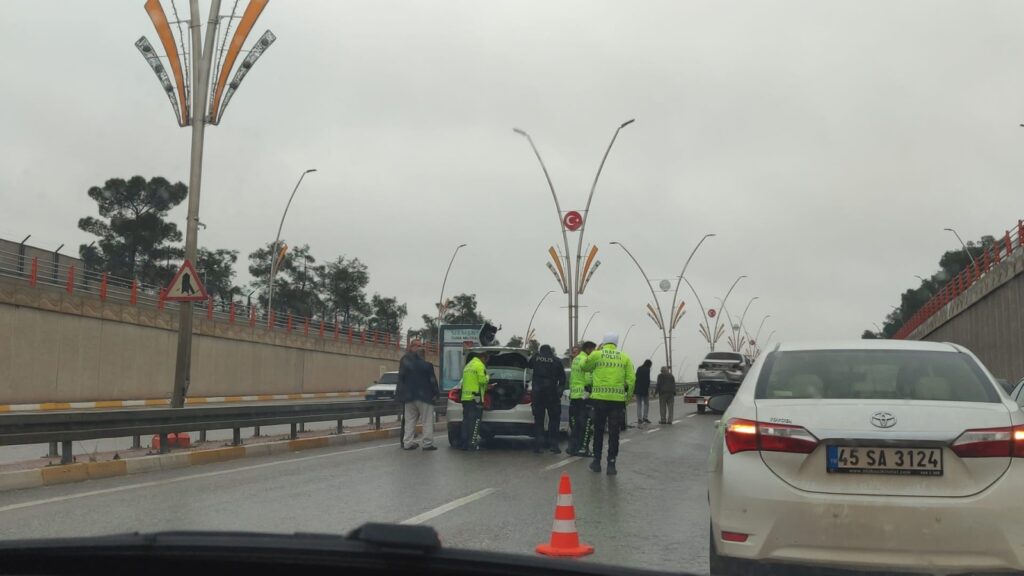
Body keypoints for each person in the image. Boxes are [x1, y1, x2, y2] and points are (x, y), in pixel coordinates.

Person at [583, 332, 635, 476]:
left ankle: (596, 462)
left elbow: (584, 367)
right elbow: (631, 380)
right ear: (616, 343)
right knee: (614, 433)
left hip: (599, 400)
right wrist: (627, 398)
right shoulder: (625, 357)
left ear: (604, 342)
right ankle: (611, 464)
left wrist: (593, 355)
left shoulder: (597, 354)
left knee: (598, 430)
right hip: (617, 401)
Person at [397, 340, 439, 450]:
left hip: (409, 397)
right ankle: (427, 443)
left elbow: (401, 379)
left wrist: (401, 395)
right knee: (427, 421)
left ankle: (407, 443)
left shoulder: (405, 364)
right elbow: (433, 381)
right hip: (425, 397)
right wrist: (435, 393)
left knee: (409, 421)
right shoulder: (427, 366)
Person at [529, 344, 567, 454]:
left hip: (538, 395)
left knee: (539, 421)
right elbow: (562, 378)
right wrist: (559, 391)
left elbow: (528, 365)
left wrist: (535, 354)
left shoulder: (536, 359)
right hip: (552, 394)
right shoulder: (556, 361)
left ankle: (538, 446)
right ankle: (554, 446)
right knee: (554, 421)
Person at [567, 341, 597, 456]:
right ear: (588, 349)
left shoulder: (575, 360)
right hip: (584, 396)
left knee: (577, 425)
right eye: (593, 350)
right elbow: (588, 379)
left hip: (575, 396)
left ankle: (572, 448)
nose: (593, 352)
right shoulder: (586, 360)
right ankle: (583, 448)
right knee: (587, 424)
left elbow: (573, 378)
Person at [460, 351, 488, 451]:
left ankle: (464, 443)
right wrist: (488, 377)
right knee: (475, 422)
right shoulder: (480, 365)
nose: (486, 362)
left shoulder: (468, 366)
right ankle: (472, 443)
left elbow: (466, 382)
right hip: (475, 398)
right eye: (486, 360)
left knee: (466, 421)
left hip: (465, 398)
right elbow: (482, 380)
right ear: (483, 358)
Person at [634, 359, 653, 426]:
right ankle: (645, 418)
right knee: (646, 404)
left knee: (639, 404)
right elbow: (647, 380)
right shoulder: (647, 370)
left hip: (637, 389)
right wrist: (648, 388)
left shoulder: (639, 368)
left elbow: (635, 378)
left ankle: (639, 419)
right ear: (649, 364)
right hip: (644, 389)